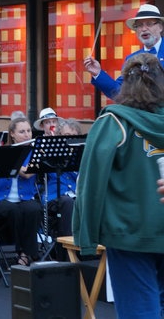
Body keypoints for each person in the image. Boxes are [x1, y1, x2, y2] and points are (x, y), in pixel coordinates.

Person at [73, 52, 164, 318]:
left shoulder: (113, 121)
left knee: (139, 310)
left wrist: (85, 237)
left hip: (129, 233)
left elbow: (91, 182)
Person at [0, 116, 42, 267]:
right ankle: (24, 252)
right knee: (14, 211)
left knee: (33, 209)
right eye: (22, 132)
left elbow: (27, 174)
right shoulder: (1, 151)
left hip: (25, 198)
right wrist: (7, 155)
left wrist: (11, 159)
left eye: (28, 131)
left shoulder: (34, 153)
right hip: (1, 199)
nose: (27, 135)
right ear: (12, 134)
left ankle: (25, 254)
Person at [83, 3, 164, 99]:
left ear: (160, 27)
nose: (143, 29)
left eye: (149, 24)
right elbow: (119, 92)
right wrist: (98, 73)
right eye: (139, 25)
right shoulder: (132, 59)